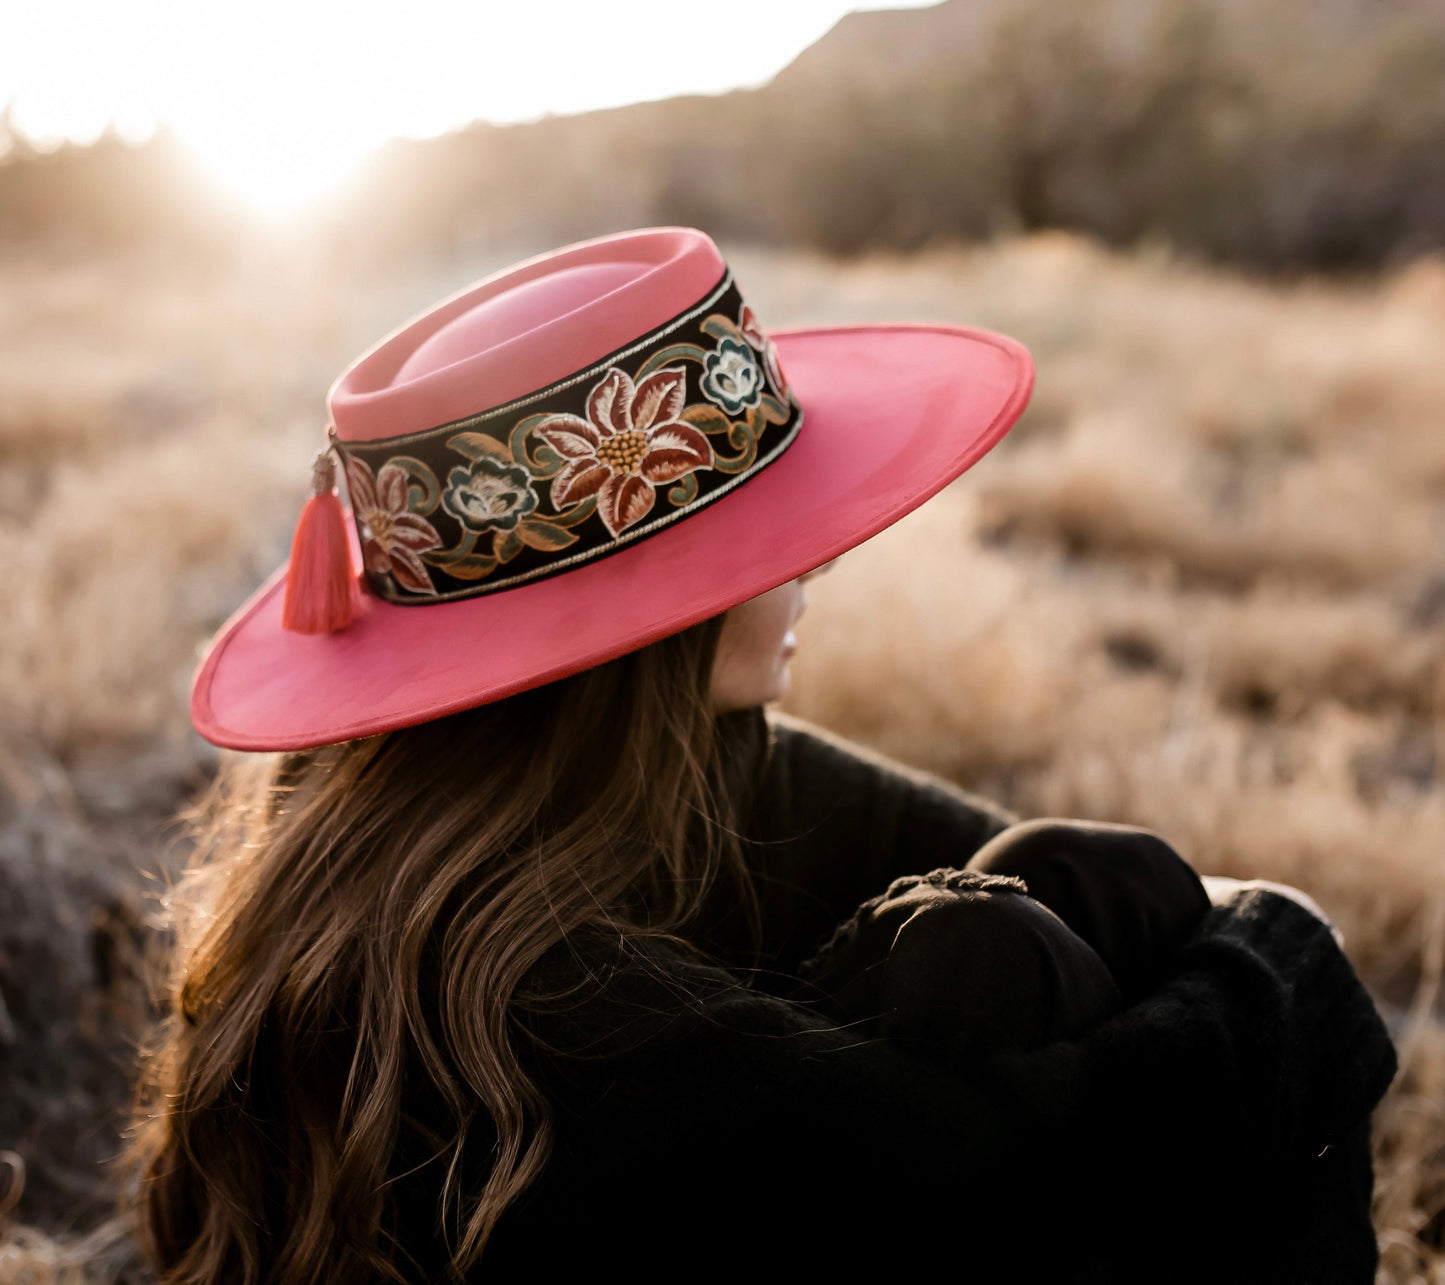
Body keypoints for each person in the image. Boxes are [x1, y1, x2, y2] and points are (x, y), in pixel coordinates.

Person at [128, 228, 1395, 1284]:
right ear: (645, 626)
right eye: (757, 538)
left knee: (1020, 906)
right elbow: (1044, 1185)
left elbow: (1031, 866)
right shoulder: (553, 1006)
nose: (814, 561)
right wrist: (1278, 943)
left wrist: (1094, 910)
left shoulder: (469, 806)